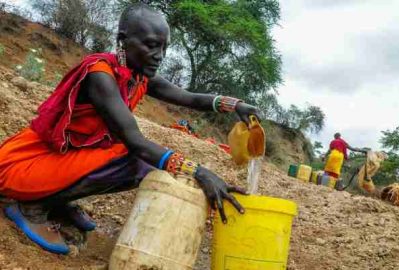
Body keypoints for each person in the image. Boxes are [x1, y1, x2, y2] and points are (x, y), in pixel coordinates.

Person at [0, 4, 259, 255]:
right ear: (123, 39)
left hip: (61, 158)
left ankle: (57, 201)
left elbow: (188, 97)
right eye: (150, 45)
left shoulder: (138, 76)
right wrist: (200, 172)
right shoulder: (100, 75)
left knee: (138, 161)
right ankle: (33, 205)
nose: (160, 55)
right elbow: (135, 141)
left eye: (164, 47)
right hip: (22, 163)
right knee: (135, 161)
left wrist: (235, 104)